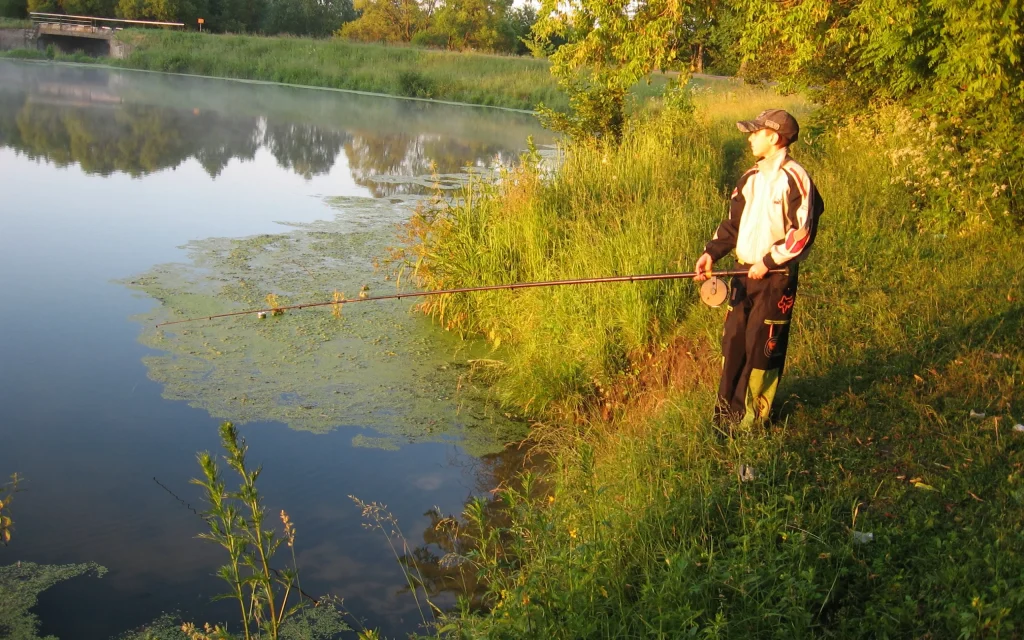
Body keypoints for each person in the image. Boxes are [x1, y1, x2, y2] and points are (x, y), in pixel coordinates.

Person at [694, 109, 824, 430]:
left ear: (774, 138)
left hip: (775, 280)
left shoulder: (796, 178)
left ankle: (751, 422)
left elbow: (802, 232)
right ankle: (724, 418)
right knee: (734, 340)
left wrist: (768, 262)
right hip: (741, 275)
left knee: (760, 348)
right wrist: (711, 253)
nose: (750, 138)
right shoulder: (749, 178)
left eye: (755, 133)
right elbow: (733, 225)